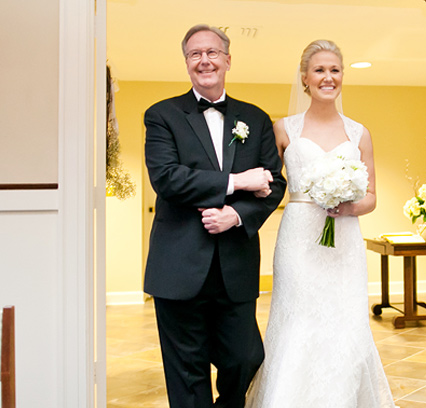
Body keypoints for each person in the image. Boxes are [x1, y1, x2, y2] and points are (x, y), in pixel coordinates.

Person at [245, 40, 395, 407]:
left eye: (335, 70)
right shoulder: (284, 129)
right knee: (298, 321)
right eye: (320, 70)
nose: (328, 78)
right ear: (305, 79)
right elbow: (267, 182)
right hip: (299, 239)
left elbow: (372, 195)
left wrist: (349, 207)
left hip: (343, 241)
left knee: (345, 323)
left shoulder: (359, 133)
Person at [144, 24, 286, 408]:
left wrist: (236, 216)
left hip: (234, 266)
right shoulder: (162, 115)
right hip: (177, 265)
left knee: (245, 357)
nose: (203, 60)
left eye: (211, 52)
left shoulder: (254, 119)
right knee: (187, 373)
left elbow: (273, 184)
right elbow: (168, 179)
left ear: (227, 59)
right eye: (194, 54)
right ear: (186, 62)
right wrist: (238, 181)